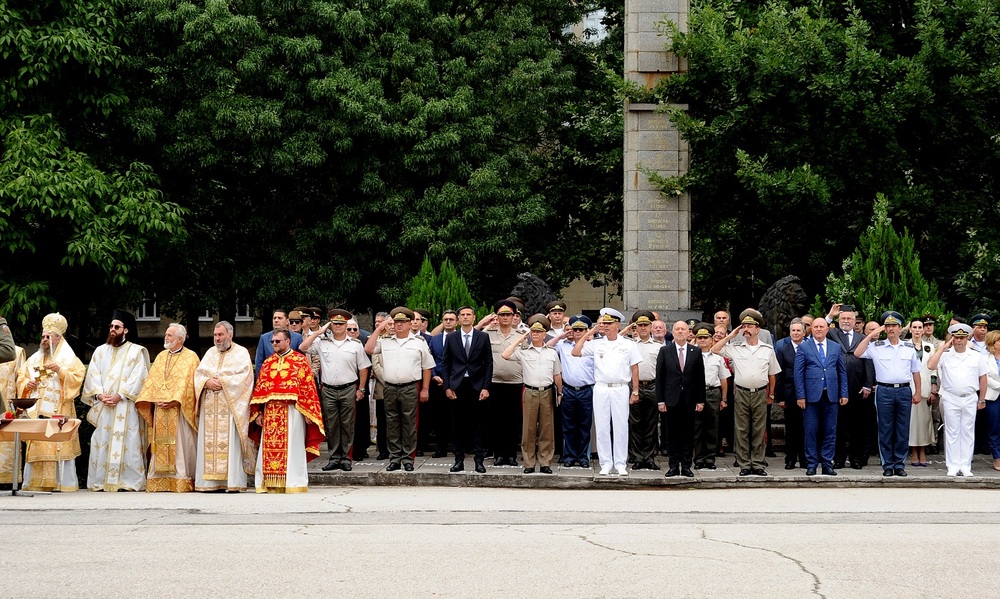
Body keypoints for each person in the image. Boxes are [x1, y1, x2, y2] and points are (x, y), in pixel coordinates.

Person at [81, 309, 151, 492]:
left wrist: (120, 395)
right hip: (105, 405)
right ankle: (102, 481)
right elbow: (93, 374)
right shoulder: (100, 351)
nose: (112, 329)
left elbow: (139, 377)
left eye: (117, 327)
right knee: (102, 440)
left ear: (126, 330)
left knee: (129, 441)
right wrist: (99, 395)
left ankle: (127, 481)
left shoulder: (136, 352)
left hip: (125, 406)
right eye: (111, 326)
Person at [15, 313, 85, 491]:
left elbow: (77, 379)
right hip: (37, 412)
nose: (45, 340)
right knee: (38, 445)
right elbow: (21, 378)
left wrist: (61, 371)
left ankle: (61, 484)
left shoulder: (70, 359)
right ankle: (35, 484)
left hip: (58, 411)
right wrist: (27, 385)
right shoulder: (34, 359)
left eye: (49, 336)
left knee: (57, 445)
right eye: (43, 336)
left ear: (59, 338)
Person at [250, 328, 325, 492]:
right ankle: (268, 482)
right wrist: (259, 413)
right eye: (272, 342)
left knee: (293, 448)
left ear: (288, 341)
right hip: (270, 412)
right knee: (268, 449)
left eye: (277, 341)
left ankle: (293, 482)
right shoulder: (268, 363)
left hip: (293, 412)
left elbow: (308, 389)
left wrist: (309, 413)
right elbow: (260, 389)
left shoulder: (300, 361)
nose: (274, 344)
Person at [572, 308, 642, 476]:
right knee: (602, 426)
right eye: (604, 323)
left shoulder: (628, 344)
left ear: (618, 325)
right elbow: (575, 352)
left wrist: (635, 391)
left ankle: (620, 463)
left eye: (609, 323)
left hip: (620, 388)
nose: (606, 326)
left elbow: (634, 368)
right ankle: (605, 463)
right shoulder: (597, 343)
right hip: (601, 388)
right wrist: (591, 332)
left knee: (621, 426)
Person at [364, 307, 434, 472]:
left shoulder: (419, 342)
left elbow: (427, 367)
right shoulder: (385, 341)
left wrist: (425, 389)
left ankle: (408, 458)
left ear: (410, 324)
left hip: (410, 387)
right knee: (392, 424)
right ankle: (394, 458)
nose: (399, 325)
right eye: (396, 322)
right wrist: (380, 329)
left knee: (409, 424)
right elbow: (368, 349)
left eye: (403, 322)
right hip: (390, 387)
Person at [711, 309, 780, 477]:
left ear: (758, 329)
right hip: (741, 392)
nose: (746, 329)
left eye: (750, 326)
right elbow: (714, 349)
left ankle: (758, 463)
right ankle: (744, 464)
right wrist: (730, 336)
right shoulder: (735, 347)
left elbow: (772, 374)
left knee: (759, 429)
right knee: (741, 429)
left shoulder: (767, 349)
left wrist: (771, 395)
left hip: (760, 393)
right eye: (744, 326)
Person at [300, 309, 370, 472]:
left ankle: (346, 458)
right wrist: (319, 332)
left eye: (341, 324)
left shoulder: (355, 344)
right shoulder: (322, 342)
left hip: (348, 388)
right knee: (331, 425)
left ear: (346, 325)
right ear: (330, 325)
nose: (338, 326)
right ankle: (334, 457)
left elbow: (363, 368)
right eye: (335, 323)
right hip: (329, 389)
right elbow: (303, 347)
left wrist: (361, 388)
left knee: (347, 424)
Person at [854, 311, 922, 477]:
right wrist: (872, 334)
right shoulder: (876, 347)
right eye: (888, 326)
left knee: (902, 428)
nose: (891, 329)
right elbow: (857, 352)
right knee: (885, 428)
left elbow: (916, 372)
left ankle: (899, 464)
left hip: (904, 390)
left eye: (894, 326)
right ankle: (888, 465)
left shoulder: (908, 348)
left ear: (900, 328)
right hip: (884, 390)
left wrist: (918, 392)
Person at [136, 323, 200, 492]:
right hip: (160, 409)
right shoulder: (160, 356)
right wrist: (153, 399)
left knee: (180, 445)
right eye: (166, 334)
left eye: (170, 335)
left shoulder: (191, 357)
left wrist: (176, 400)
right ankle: (159, 479)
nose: (166, 337)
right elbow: (152, 381)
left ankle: (180, 479)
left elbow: (191, 385)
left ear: (180, 339)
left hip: (179, 410)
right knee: (160, 444)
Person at [193, 321, 256, 492]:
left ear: (230, 335)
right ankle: (208, 484)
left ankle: (231, 482)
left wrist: (223, 381)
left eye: (220, 335)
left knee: (230, 444)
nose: (217, 338)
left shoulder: (241, 352)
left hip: (230, 407)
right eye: (215, 335)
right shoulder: (210, 353)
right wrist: (206, 382)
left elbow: (246, 378)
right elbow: (198, 374)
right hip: (210, 408)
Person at [502, 315, 562, 474]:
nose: (535, 334)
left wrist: (560, 392)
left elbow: (557, 374)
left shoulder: (552, 353)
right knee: (528, 429)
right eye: (533, 332)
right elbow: (505, 355)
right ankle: (529, 463)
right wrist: (520, 339)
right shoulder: (523, 352)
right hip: (530, 391)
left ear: (544, 334)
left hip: (547, 392)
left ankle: (545, 462)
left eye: (538, 332)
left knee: (547, 429)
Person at [927, 324, 987, 476]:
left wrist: (982, 399)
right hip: (951, 397)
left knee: (967, 432)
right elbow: (931, 365)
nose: (959, 340)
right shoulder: (945, 355)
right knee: (952, 432)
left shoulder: (976, 356)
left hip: (969, 397)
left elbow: (983, 378)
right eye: (956, 337)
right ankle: (953, 465)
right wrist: (942, 348)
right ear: (952, 338)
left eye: (962, 337)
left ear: (967, 338)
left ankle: (965, 465)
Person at [441, 306, 493, 473]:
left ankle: (479, 461)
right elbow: (446, 363)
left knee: (478, 424)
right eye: (462, 315)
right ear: (458, 319)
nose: (465, 317)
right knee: (457, 425)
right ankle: (458, 460)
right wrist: (447, 386)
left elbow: (488, 363)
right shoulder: (452, 337)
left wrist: (486, 387)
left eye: (468, 314)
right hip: (457, 385)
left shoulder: (483, 337)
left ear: (474, 317)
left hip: (477, 385)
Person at [794, 317, 848, 476]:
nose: (818, 329)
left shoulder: (835, 347)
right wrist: (800, 395)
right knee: (811, 431)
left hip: (831, 395)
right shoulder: (804, 347)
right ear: (811, 329)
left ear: (827, 329)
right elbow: (798, 374)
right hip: (811, 397)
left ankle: (827, 463)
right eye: (815, 327)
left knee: (830, 431)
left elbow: (841, 372)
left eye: (821, 327)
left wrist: (844, 393)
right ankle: (811, 464)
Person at [825, 303, 875, 469]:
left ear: (855, 322)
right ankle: (839, 458)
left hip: (857, 387)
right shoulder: (832, 334)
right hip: (837, 387)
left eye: (849, 318)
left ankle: (856, 458)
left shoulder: (862, 338)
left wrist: (868, 384)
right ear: (838, 321)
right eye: (843, 318)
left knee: (857, 425)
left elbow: (868, 361)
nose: (846, 321)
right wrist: (830, 316)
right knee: (838, 425)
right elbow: (820, 329)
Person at [656, 320, 706, 477]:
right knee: (672, 435)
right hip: (671, 399)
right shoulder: (665, 351)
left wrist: (700, 400)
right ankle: (673, 466)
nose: (680, 331)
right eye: (677, 329)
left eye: (683, 329)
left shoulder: (695, 351)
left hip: (689, 399)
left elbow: (700, 378)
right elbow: (660, 377)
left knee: (687, 435)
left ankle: (686, 466)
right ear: (672, 332)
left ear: (688, 332)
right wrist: (660, 400)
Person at [548, 315, 595, 468]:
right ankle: (569, 456)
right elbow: (546, 346)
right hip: (568, 390)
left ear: (586, 331)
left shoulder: (592, 346)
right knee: (568, 426)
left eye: (581, 329)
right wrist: (562, 335)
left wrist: (588, 336)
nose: (578, 332)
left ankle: (583, 457)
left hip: (586, 390)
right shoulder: (563, 345)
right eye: (575, 329)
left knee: (584, 426)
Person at [482, 300, 524, 467]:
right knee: (496, 421)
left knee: (513, 420)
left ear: (514, 316)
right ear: (497, 317)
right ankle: (499, 455)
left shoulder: (521, 335)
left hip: (515, 383)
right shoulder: (489, 334)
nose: (505, 318)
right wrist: (486, 324)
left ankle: (511, 455)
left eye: (508, 315)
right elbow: (476, 342)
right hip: (495, 382)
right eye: (502, 315)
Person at [692, 322, 729, 470]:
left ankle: (710, 458)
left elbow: (723, 379)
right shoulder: (691, 356)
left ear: (711, 340)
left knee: (712, 427)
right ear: (696, 339)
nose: (702, 340)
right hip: (696, 394)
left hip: (713, 392)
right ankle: (699, 458)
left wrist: (724, 399)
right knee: (697, 427)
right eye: (700, 337)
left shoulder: (717, 358)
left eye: (705, 337)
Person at [629, 310, 662, 470]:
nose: (643, 328)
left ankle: (649, 458)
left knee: (651, 424)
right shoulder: (630, 345)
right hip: (635, 386)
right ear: (635, 327)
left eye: (645, 325)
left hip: (653, 386)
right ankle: (637, 457)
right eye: (640, 325)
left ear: (651, 327)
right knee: (635, 424)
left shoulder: (659, 346)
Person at [774, 319, 806, 470]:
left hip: (807, 394)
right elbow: (779, 375)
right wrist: (780, 397)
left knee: (806, 428)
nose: (795, 333)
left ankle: (805, 459)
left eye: (798, 330)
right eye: (793, 330)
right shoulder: (783, 350)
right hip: (790, 394)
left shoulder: (810, 348)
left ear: (804, 333)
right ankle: (790, 459)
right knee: (791, 429)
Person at [427, 310, 458, 458]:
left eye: (451, 319)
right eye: (446, 319)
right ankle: (441, 448)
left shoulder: (461, 338)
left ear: (457, 322)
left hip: (457, 383)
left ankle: (459, 447)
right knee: (439, 418)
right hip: (438, 383)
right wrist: (434, 376)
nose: (448, 322)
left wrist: (451, 379)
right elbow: (429, 360)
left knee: (457, 417)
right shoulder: (435, 340)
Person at [907, 319, 937, 467]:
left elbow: (934, 368)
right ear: (910, 329)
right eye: (915, 327)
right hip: (909, 387)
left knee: (925, 421)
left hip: (925, 389)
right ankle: (913, 451)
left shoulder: (930, 347)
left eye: (920, 327)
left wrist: (933, 387)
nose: (918, 330)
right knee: (912, 422)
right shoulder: (904, 345)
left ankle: (923, 451)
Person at [0, 330, 25, 485]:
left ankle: (8, 479)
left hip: (7, 406)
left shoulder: (18, 352)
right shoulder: (10, 351)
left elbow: (21, 381)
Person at [254, 309, 304, 378]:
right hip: (269, 379)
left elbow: (301, 361)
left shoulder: (297, 338)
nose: (276, 320)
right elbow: (259, 362)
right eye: (274, 318)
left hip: (291, 379)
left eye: (280, 318)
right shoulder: (264, 338)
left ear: (287, 321)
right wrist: (260, 379)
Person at [983, 330, 1000, 471]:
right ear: (992, 343)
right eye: (999, 340)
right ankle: (997, 457)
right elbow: (985, 378)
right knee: (994, 428)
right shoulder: (985, 359)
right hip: (993, 396)